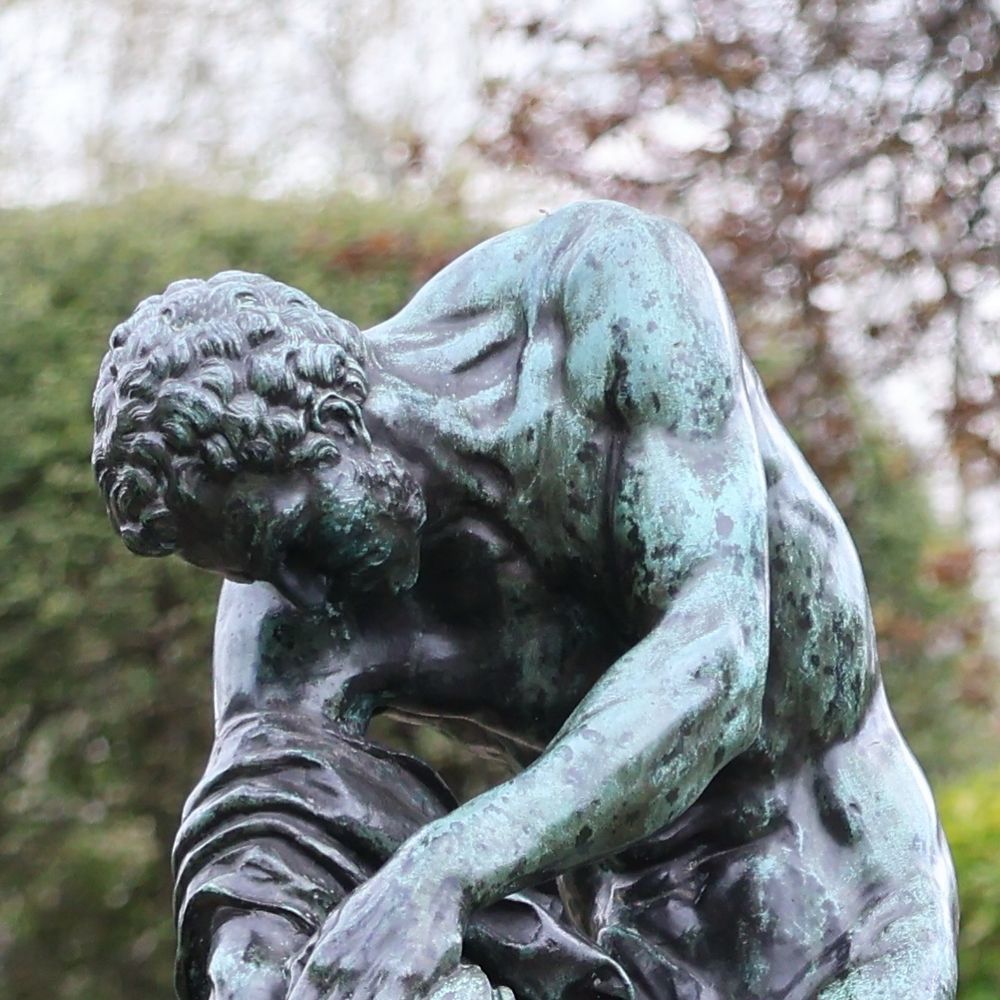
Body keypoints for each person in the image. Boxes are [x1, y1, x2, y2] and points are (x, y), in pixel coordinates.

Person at [93, 200, 958, 1000]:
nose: (300, 593)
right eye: (257, 573)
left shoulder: (602, 300)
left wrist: (444, 868)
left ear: (332, 416)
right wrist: (254, 965)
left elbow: (716, 652)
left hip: (853, 899)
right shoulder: (286, 615)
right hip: (636, 946)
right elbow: (260, 842)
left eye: (291, 542)